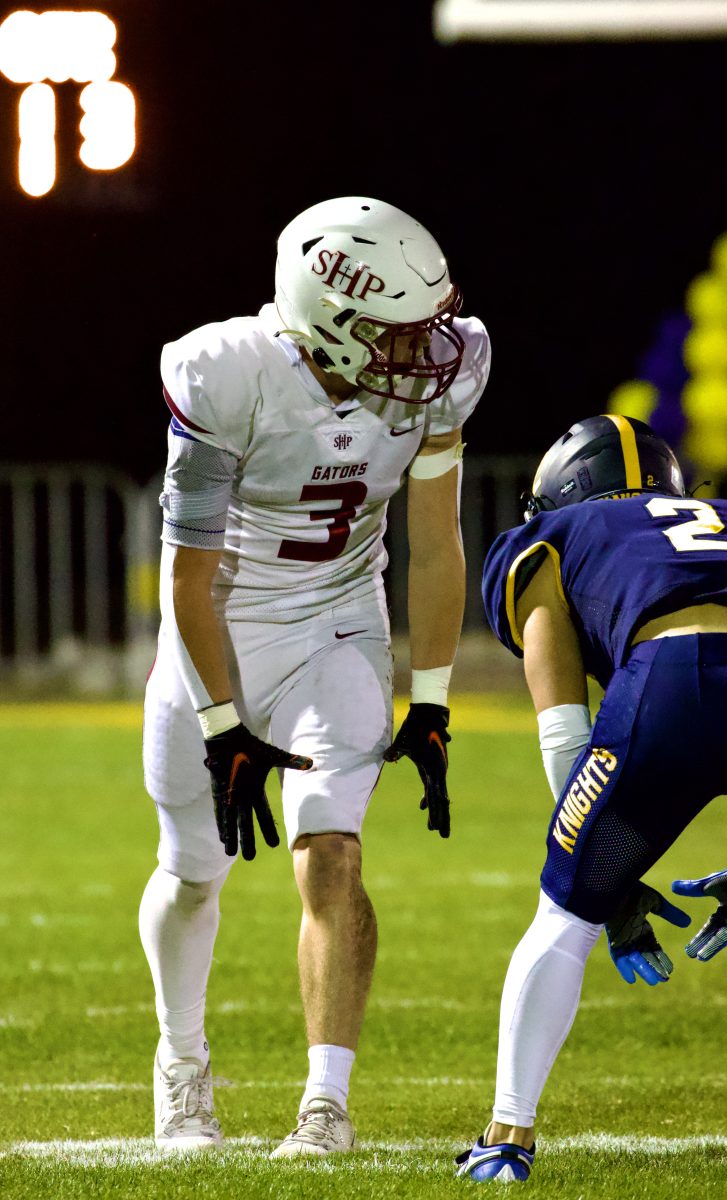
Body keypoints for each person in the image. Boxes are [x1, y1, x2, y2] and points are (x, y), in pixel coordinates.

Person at [138, 196, 491, 1155]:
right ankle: (182, 1066)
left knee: (332, 853)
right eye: (401, 334)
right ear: (330, 318)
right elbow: (190, 572)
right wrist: (222, 728)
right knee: (193, 874)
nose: (430, 352)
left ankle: (324, 1106)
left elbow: (433, 545)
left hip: (341, 622)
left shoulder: (447, 367)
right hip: (219, 631)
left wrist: (432, 700)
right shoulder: (225, 371)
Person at [457, 413, 727, 1182]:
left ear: (566, 490)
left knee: (564, 914)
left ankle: (508, 1137)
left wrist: (603, 883)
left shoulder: (561, 534)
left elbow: (562, 735)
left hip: (673, 685)